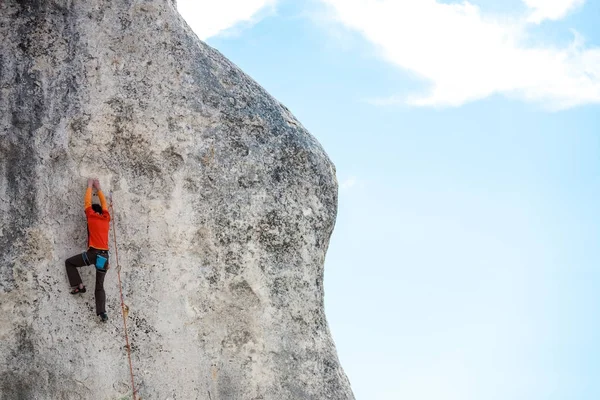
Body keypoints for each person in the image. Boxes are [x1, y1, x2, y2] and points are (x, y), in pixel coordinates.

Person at [65, 178, 111, 322]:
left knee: (70, 263)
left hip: (92, 254)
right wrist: (99, 187)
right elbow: (104, 205)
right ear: (102, 212)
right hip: (104, 256)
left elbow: (87, 202)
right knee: (99, 286)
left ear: (92, 211)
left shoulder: (90, 216)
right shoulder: (106, 218)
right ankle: (102, 313)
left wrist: (90, 186)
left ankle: (79, 285)